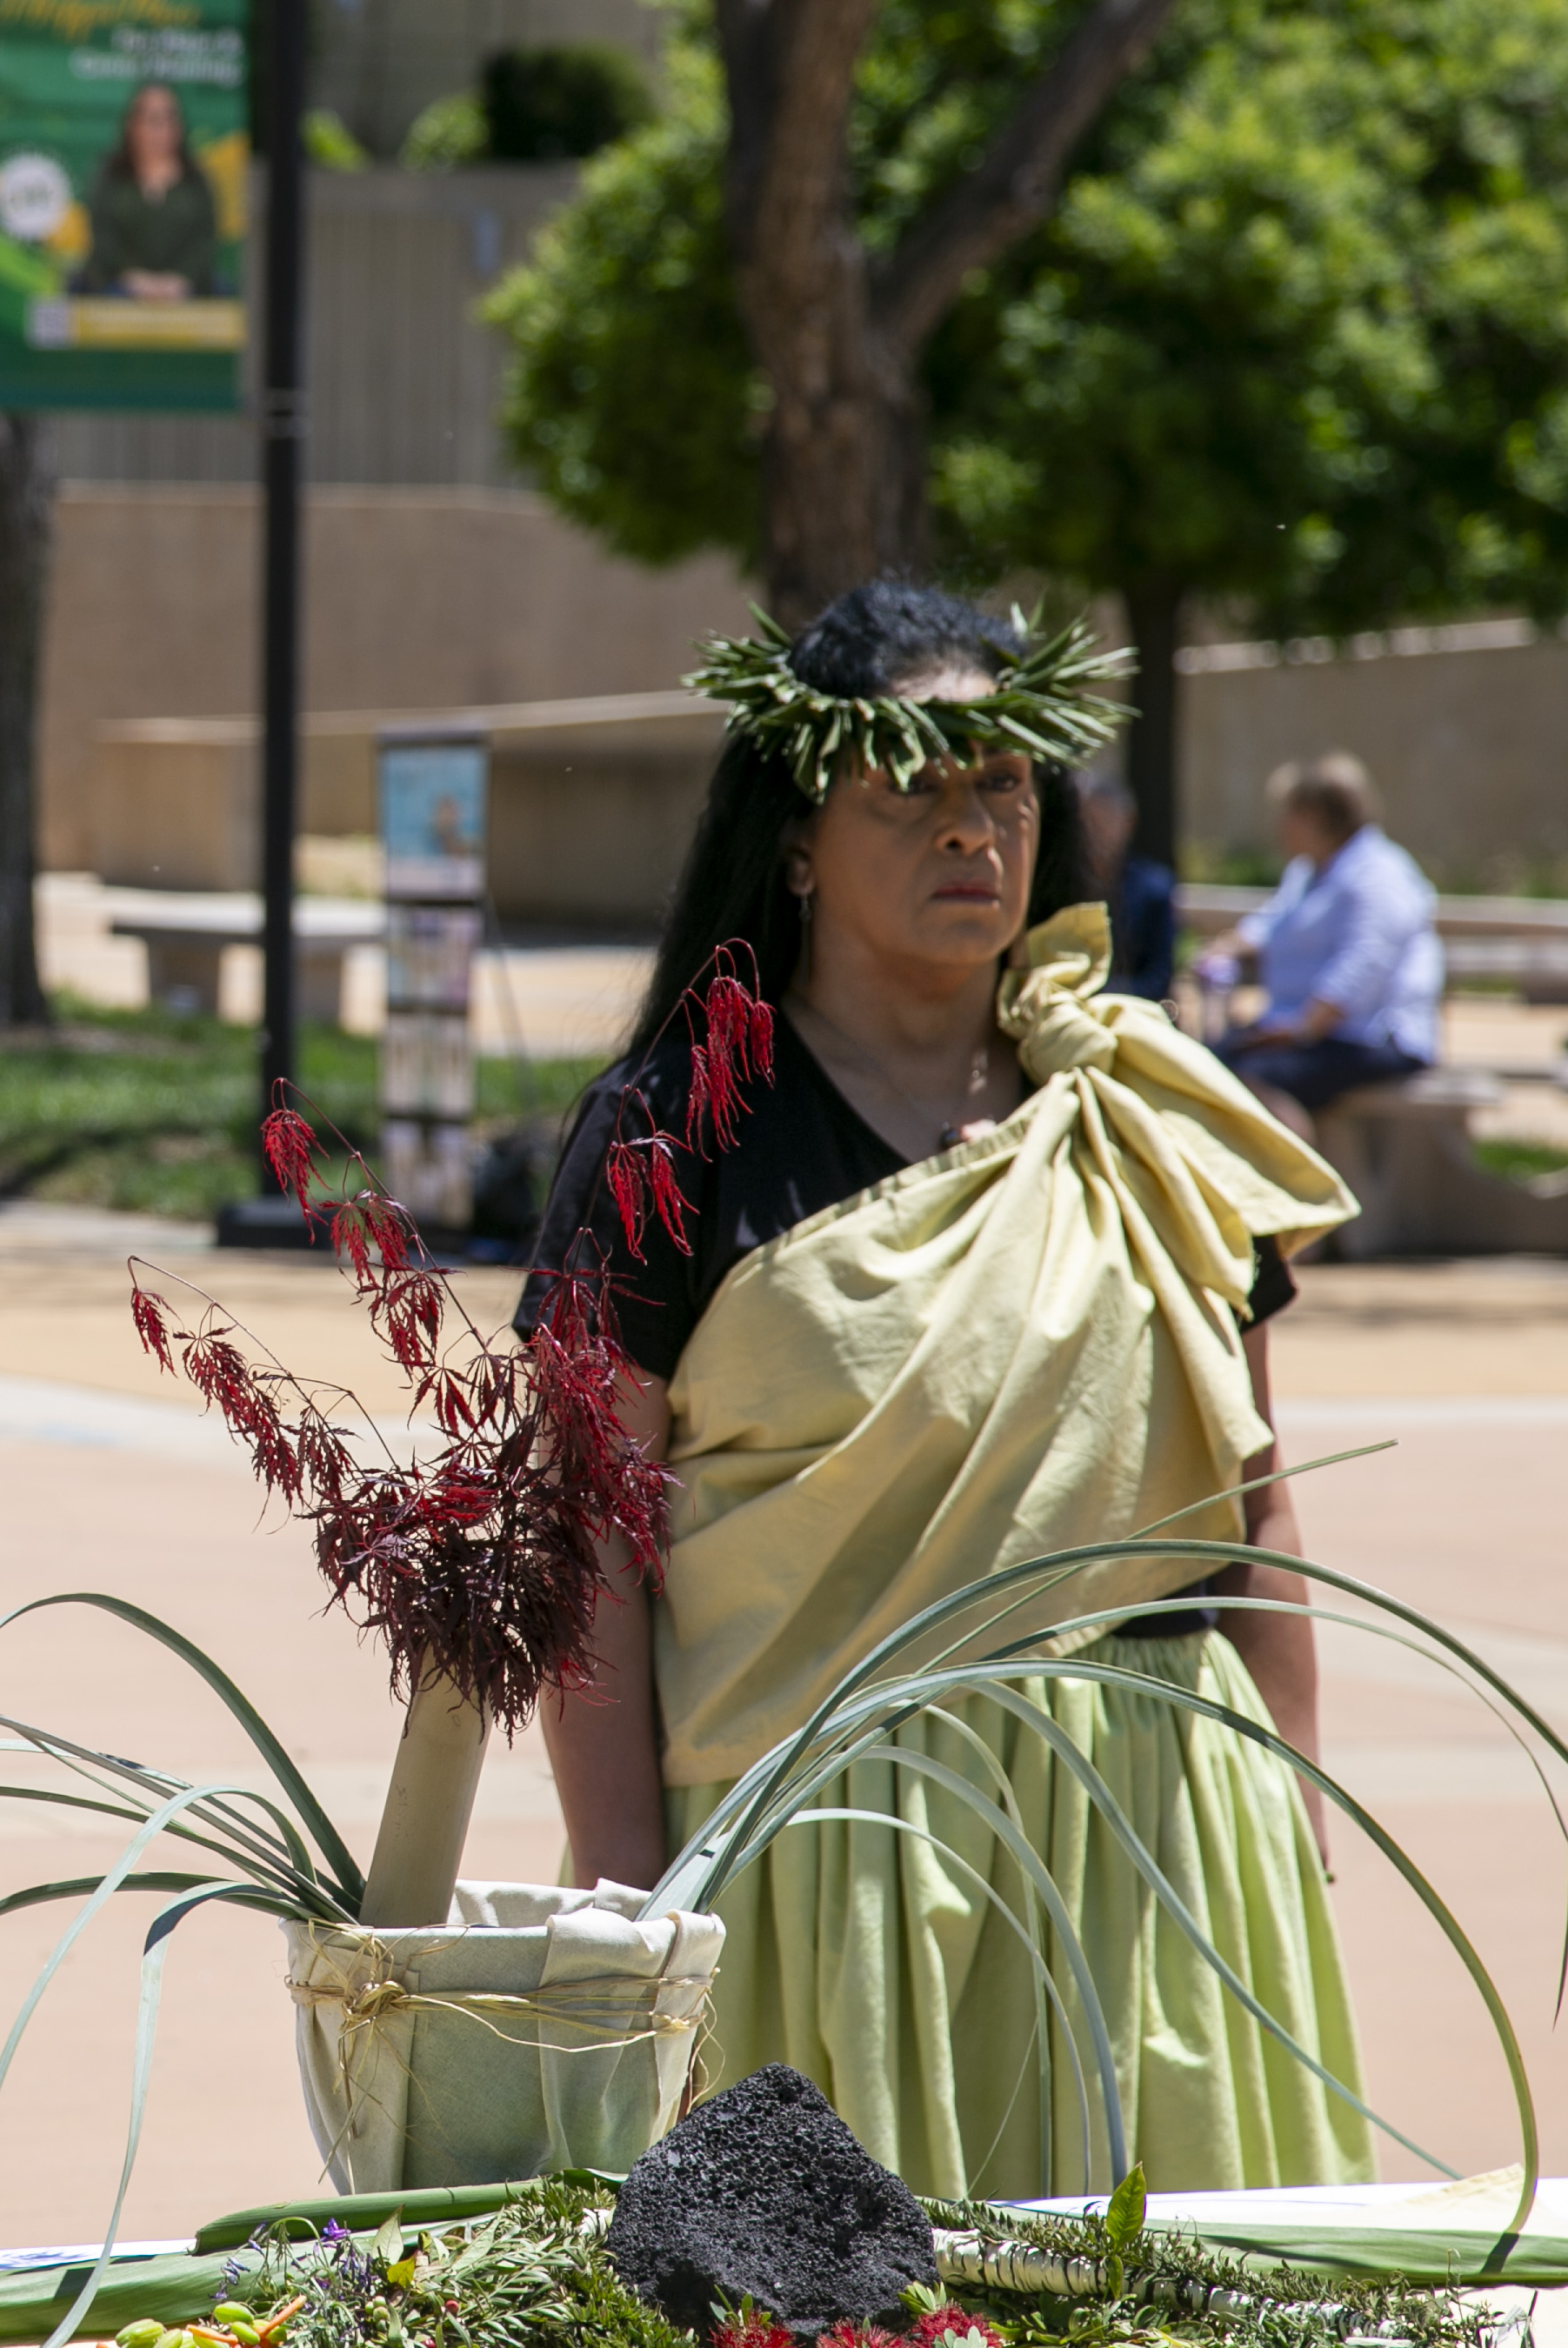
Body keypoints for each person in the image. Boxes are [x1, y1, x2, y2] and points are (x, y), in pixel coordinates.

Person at [521, 581, 1367, 2201]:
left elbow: (1250, 1492)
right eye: (906, 790)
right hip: (815, 1853)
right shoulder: (677, 1129)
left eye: (1001, 787)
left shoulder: (1134, 1105)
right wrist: (631, 1912)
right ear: (792, 839)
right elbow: (584, 1552)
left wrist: (1297, 1804)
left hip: (1152, 1829)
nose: (968, 829)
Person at [1205, 751, 1442, 1144]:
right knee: (1207, 1059)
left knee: (1250, 1078)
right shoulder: (1307, 870)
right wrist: (1224, 949)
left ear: (1314, 815)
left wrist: (1298, 1030)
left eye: (1287, 813)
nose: (1278, 824)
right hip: (1316, 1035)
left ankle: (1296, 1183)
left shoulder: (1379, 873)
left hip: (1370, 1039)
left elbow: (1364, 965)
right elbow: (1271, 923)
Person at [77, 81, 226, 300]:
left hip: (184, 288)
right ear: (133, 125)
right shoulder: (109, 176)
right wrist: (133, 278)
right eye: (153, 120)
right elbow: (103, 236)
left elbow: (204, 240)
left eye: (170, 118)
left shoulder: (196, 179)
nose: (162, 129)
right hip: (119, 285)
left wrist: (179, 280)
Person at [1074, 764, 1178, 1004]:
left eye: (1104, 821)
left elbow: (1159, 979)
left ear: (1129, 822)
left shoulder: (1154, 888)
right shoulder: (1060, 887)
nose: (1093, 834)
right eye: (1086, 823)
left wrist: (1100, 995)